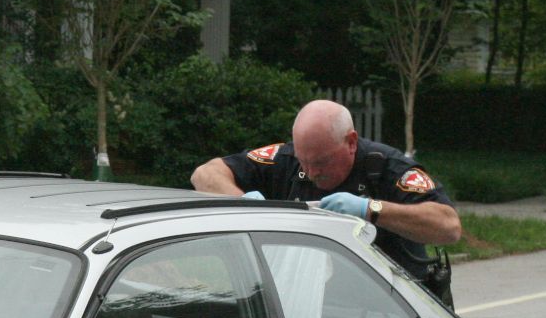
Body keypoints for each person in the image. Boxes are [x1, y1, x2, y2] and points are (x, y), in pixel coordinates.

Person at [191, 99, 461, 304]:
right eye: (303, 160)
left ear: (351, 142)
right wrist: (242, 201)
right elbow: (204, 174)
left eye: (320, 162)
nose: (310, 171)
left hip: (392, 309)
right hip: (311, 308)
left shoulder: (387, 168)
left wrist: (372, 209)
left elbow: (448, 227)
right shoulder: (285, 160)